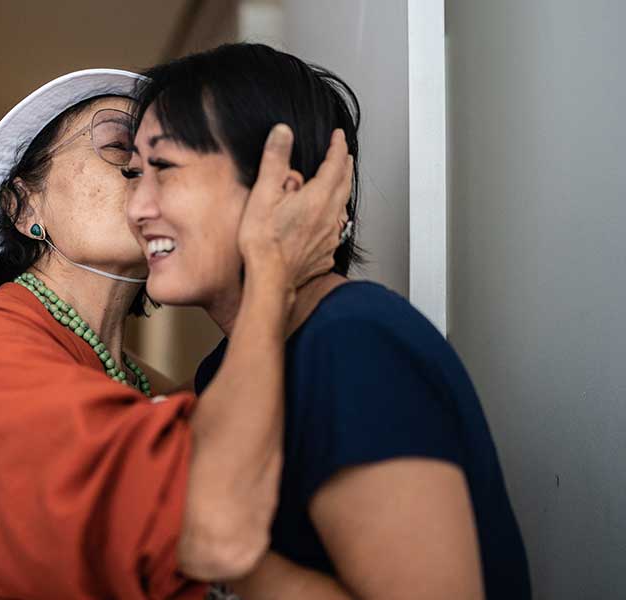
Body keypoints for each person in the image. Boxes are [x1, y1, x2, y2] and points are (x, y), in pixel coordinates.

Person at [0, 67, 353, 599]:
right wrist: (272, 269)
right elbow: (208, 524)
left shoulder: (156, 387)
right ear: (23, 205)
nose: (147, 175)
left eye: (163, 159)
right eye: (121, 147)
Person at [125, 43, 531, 599]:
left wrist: (220, 552)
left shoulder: (357, 343)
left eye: (164, 168)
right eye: (133, 174)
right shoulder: (228, 367)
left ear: (283, 189)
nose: (136, 207)